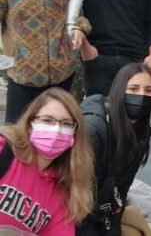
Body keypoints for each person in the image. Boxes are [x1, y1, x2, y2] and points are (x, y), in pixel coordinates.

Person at [0, 0, 94, 123]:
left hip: (62, 71)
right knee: (16, 136)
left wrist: (79, 28)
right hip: (23, 72)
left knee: (57, 135)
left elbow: (79, 17)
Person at [77, 63, 151, 236]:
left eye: (148, 90)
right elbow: (77, 199)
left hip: (106, 217)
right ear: (118, 91)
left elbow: (120, 192)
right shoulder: (94, 130)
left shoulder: (139, 132)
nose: (141, 95)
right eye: (133, 88)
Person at [0, 88, 94, 235]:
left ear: (75, 135)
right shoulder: (4, 150)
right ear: (30, 124)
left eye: (66, 124)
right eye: (47, 120)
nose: (56, 129)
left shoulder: (66, 192)